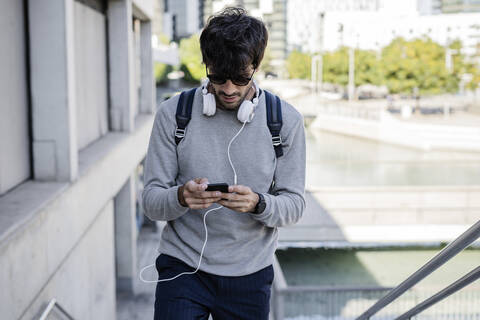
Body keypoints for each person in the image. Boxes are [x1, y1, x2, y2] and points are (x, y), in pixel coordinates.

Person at [142, 7, 306, 320]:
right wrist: (181, 197)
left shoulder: (285, 121)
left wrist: (259, 204)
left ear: (256, 66)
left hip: (251, 274)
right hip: (183, 268)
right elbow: (150, 202)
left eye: (241, 78)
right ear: (206, 65)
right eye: (218, 77)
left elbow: (294, 205)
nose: (228, 89)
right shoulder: (173, 114)